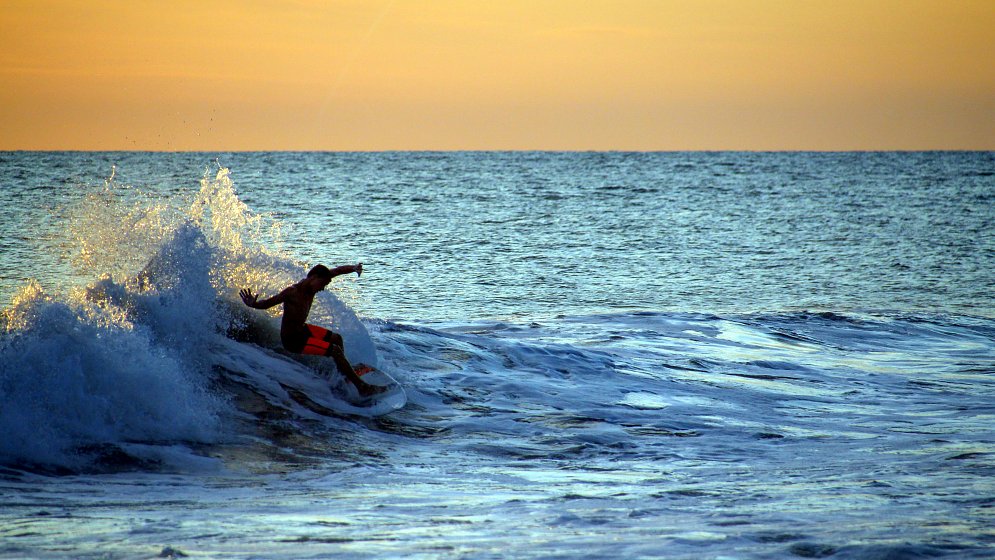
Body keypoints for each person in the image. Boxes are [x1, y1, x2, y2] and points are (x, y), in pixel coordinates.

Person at [240, 263, 382, 397]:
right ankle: (363, 388)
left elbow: (337, 271)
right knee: (334, 350)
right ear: (314, 278)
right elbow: (268, 303)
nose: (322, 289)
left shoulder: (313, 285)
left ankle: (343, 376)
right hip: (294, 339)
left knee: (337, 339)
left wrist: (354, 268)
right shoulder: (292, 292)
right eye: (323, 284)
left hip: (303, 330)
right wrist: (253, 304)